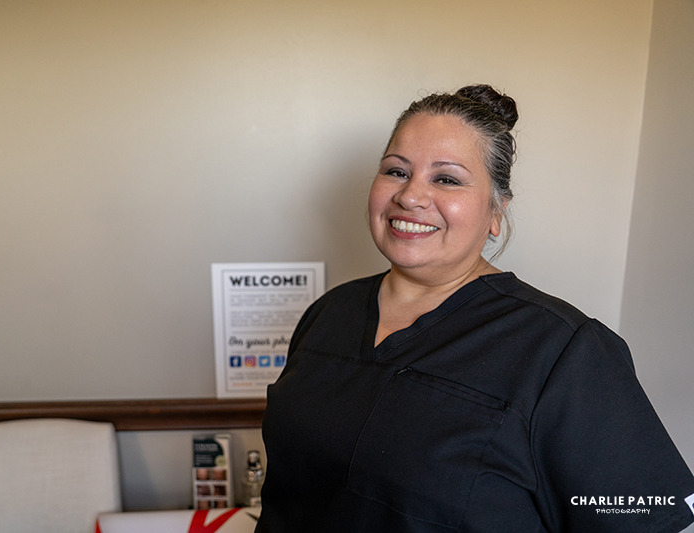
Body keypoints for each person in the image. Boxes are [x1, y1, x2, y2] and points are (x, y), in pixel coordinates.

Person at [256, 85, 694, 532]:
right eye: (395, 171)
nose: (410, 196)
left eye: (446, 179)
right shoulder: (329, 313)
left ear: (495, 212)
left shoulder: (564, 351)